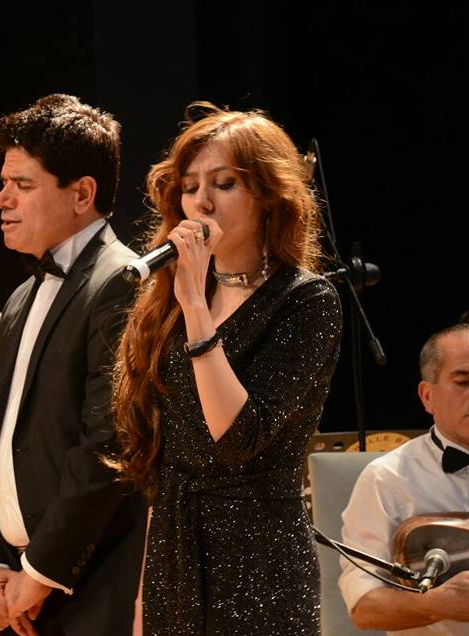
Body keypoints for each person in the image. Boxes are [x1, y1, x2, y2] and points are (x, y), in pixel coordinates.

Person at [112, 102, 342, 634]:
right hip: (174, 551)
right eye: (190, 186)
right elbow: (163, 458)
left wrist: (196, 307)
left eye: (224, 183)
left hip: (259, 560)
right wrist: (143, 598)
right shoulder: (171, 299)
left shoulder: (305, 300)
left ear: (268, 195)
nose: (201, 201)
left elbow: (237, 436)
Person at [0, 94, 148, 636]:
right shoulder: (21, 296)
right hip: (21, 585)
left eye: (23, 185)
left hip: (90, 582)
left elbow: (108, 446)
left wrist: (39, 572)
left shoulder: (122, 281)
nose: (1, 199)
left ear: (82, 194)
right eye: (4, 182)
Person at [339, 324, 469, 635]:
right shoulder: (388, 479)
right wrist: (441, 604)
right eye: (464, 382)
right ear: (428, 396)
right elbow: (364, 606)